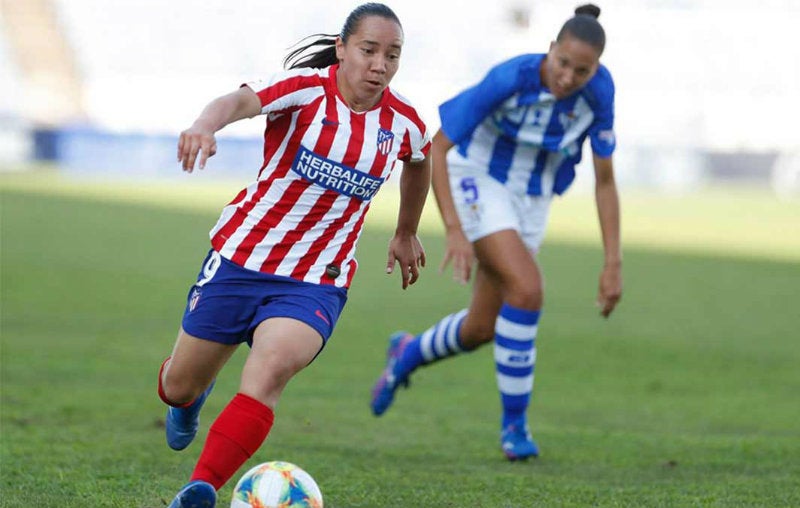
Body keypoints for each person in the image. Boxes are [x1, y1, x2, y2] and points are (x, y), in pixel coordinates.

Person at [158, 4, 431, 507]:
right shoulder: (305, 89)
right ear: (344, 48)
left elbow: (419, 161)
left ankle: (199, 488)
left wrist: (406, 229)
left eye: (392, 55)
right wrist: (203, 124)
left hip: (315, 278)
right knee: (178, 384)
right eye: (369, 51)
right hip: (241, 257)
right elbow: (238, 102)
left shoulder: (404, 122)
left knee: (272, 369)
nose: (380, 65)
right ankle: (189, 398)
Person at [369, 3, 622, 461]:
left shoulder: (600, 94)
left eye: (581, 71)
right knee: (527, 290)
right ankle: (514, 429)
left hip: (532, 198)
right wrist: (455, 230)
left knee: (481, 327)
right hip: (477, 177)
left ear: (595, 69)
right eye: (562, 63)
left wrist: (612, 263)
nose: (567, 77)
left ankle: (405, 354)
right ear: (550, 50)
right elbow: (439, 147)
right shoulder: (511, 78)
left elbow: (604, 180)